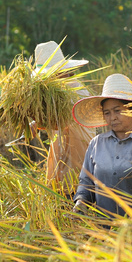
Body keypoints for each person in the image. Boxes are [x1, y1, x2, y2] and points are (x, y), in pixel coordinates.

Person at [71, 73, 132, 219]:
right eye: (107, 113)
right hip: (107, 230)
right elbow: (87, 182)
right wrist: (81, 202)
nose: (112, 117)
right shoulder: (97, 144)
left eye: (117, 111)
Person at [29, 40, 95, 197]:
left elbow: (65, 120)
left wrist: (39, 124)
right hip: (63, 149)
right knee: (61, 193)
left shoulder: (74, 91)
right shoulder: (57, 92)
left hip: (79, 153)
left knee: (77, 195)